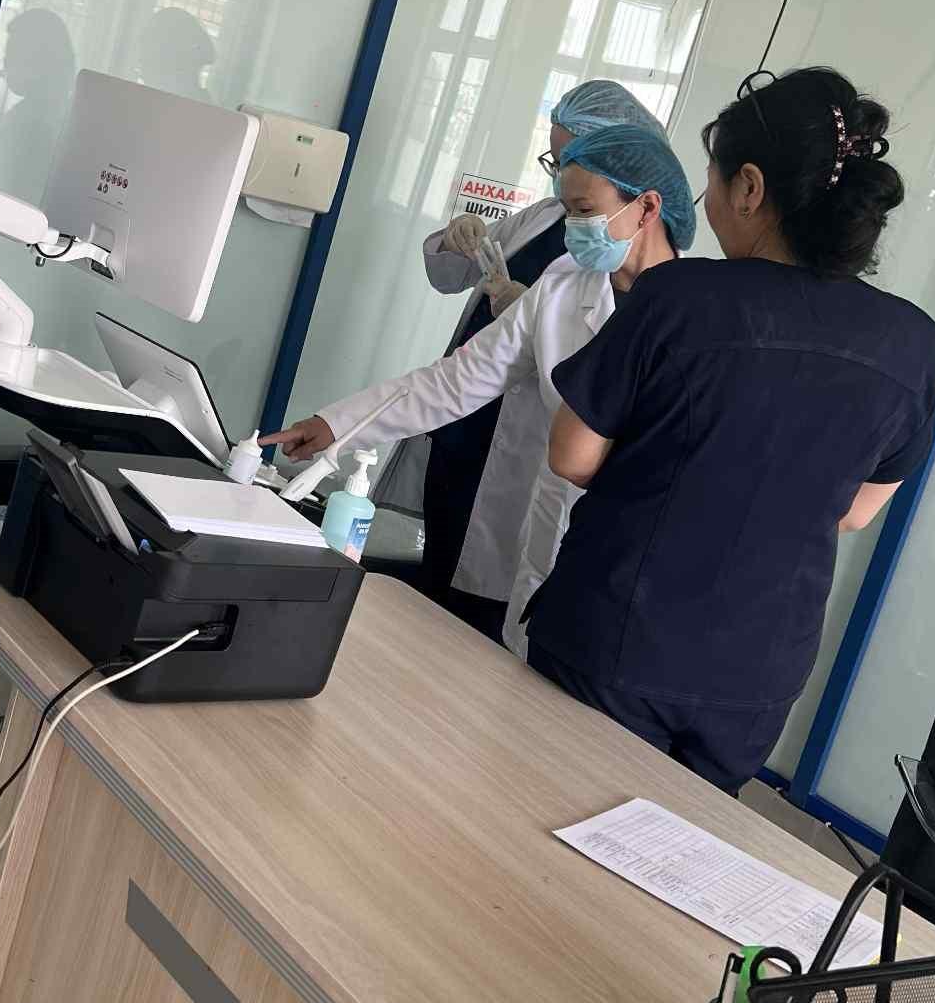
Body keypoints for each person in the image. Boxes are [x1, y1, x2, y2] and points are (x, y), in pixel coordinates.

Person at [530, 67, 935, 794]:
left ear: (750, 187)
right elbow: (854, 511)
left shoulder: (680, 297)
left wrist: (665, 467)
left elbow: (572, 455)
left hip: (621, 637)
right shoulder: (912, 341)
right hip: (759, 672)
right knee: (677, 845)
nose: (708, 201)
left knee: (542, 817)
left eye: (713, 182)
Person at [263, 124, 695, 648]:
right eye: (568, 211)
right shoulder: (562, 286)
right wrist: (337, 425)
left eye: (584, 210)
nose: (573, 227)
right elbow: (455, 382)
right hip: (547, 530)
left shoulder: (699, 314)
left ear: (646, 208)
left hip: (629, 554)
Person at [405, 80, 670, 635]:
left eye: (571, 156)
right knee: (439, 566)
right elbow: (451, 274)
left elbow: (603, 369)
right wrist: (456, 238)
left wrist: (533, 317)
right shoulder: (547, 216)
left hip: (529, 440)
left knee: (486, 602)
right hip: (467, 418)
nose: (561, 174)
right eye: (556, 159)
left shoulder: (633, 263)